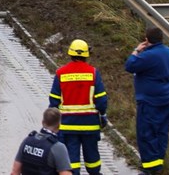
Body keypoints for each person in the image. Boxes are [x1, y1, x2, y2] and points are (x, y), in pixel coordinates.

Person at [49, 39, 108, 175]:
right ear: (86, 55)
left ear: (70, 54)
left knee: (71, 160)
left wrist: (53, 124)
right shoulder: (93, 73)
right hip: (90, 126)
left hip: (68, 127)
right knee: (92, 158)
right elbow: (101, 100)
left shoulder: (61, 73)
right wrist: (103, 115)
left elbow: (54, 101)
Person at [125, 26, 169, 175]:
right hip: (167, 98)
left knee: (146, 132)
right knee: (162, 130)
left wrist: (137, 50)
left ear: (147, 40)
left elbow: (129, 65)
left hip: (150, 101)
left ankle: (149, 168)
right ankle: (159, 162)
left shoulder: (147, 56)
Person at [11, 107, 73, 175]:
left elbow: (15, 172)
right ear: (59, 125)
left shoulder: (27, 141)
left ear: (42, 122)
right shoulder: (58, 147)